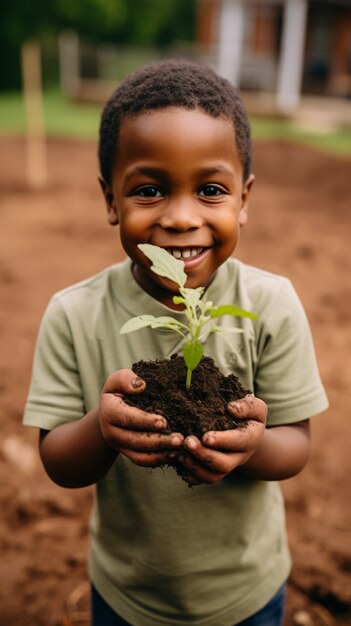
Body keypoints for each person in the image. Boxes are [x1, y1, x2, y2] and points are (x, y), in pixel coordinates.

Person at [23, 59, 328, 626]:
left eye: (211, 190)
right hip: (127, 592)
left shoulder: (272, 304)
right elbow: (58, 460)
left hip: (246, 588)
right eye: (150, 190)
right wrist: (102, 428)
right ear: (110, 200)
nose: (182, 217)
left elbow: (297, 443)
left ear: (244, 199)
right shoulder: (73, 313)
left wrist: (250, 446)